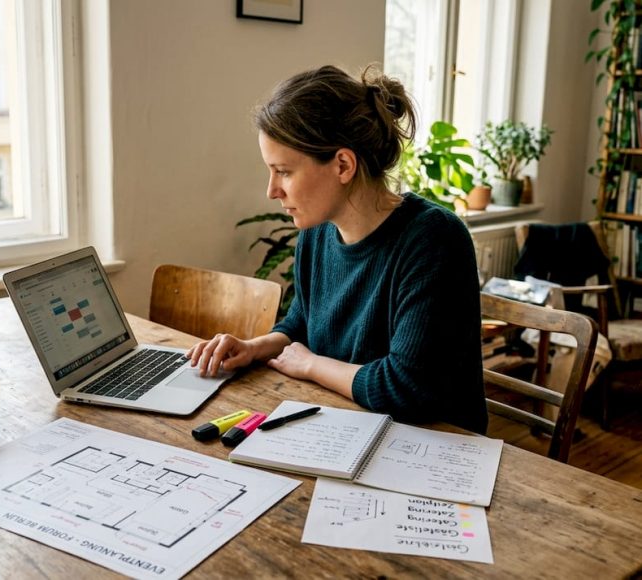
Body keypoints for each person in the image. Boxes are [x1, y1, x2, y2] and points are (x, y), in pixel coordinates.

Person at [187, 64, 487, 434]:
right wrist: (255, 347)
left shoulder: (433, 239)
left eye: (283, 171)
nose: (272, 191)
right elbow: (303, 322)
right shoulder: (317, 230)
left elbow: (407, 387)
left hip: (434, 445)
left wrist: (312, 365)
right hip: (349, 424)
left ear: (342, 165)